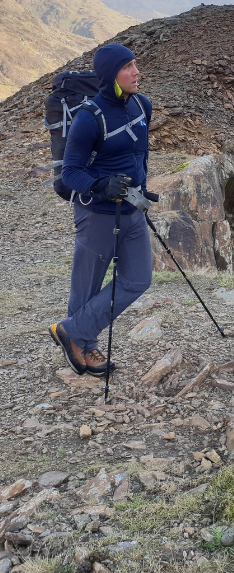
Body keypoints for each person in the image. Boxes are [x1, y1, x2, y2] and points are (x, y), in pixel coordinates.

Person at [48, 43, 153, 376]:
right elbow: (71, 173)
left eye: (136, 65)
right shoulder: (89, 118)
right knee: (87, 286)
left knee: (138, 279)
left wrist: (142, 188)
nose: (137, 72)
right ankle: (85, 347)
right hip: (97, 215)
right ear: (111, 75)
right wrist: (100, 185)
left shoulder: (142, 105)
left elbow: (140, 154)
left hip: (132, 209)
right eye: (129, 67)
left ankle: (71, 332)